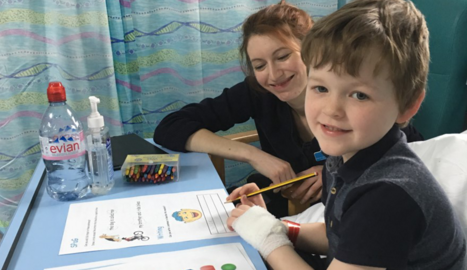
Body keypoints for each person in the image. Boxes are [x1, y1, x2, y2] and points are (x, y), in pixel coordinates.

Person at [226, 0, 466, 269]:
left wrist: (268, 239)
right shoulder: (345, 157)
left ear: (408, 106)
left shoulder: (388, 195)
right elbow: (340, 238)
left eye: (359, 95)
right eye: (320, 88)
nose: (331, 110)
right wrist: (275, 226)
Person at [154, 0, 423, 218]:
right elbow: (170, 128)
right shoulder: (258, 92)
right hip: (278, 202)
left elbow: (411, 157)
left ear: (312, 52)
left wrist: (334, 173)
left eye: (283, 56)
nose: (273, 75)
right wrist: (253, 155)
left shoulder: (353, 106)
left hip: (335, 212)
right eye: (259, 65)